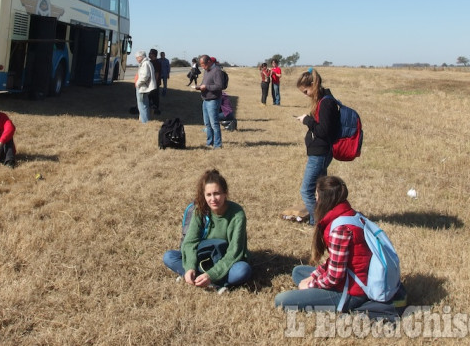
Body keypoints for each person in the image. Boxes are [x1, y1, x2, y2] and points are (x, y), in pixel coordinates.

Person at [275, 176, 406, 318]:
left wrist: (312, 284)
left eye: (317, 196)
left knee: (282, 300)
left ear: (325, 200)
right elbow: (336, 262)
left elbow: (334, 277)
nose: (315, 201)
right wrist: (315, 275)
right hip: (355, 278)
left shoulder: (340, 230)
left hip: (352, 292)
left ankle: (354, 303)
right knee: (298, 272)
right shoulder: (350, 214)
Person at [163, 169, 252, 292]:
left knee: (243, 270)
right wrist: (189, 267)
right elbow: (189, 242)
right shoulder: (200, 210)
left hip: (226, 260)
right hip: (203, 258)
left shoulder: (237, 213)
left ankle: (204, 280)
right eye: (208, 195)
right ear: (203, 196)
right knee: (169, 256)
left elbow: (235, 252)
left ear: (225, 193)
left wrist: (212, 275)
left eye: (217, 193)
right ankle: (211, 281)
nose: (213, 199)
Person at [296, 68, 341, 225]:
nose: (306, 95)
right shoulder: (323, 100)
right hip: (318, 152)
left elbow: (323, 130)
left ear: (313, 85)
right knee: (321, 191)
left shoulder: (326, 103)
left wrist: (307, 120)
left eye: (306, 91)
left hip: (320, 154)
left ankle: (318, 223)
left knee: (306, 191)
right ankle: (325, 219)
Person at [196, 54, 223, 149]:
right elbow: (204, 83)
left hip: (213, 100)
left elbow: (219, 86)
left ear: (209, 62)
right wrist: (199, 87)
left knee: (214, 123)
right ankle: (209, 142)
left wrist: (206, 87)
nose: (202, 67)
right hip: (205, 100)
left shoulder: (217, 71)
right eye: (201, 65)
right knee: (207, 123)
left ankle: (218, 144)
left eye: (203, 64)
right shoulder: (206, 71)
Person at [134, 50, 157, 123]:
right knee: (144, 104)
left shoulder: (145, 64)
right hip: (143, 87)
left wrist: (138, 83)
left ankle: (144, 121)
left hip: (142, 88)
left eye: (137, 57)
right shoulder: (146, 63)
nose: (136, 59)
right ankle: (144, 119)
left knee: (142, 105)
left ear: (141, 57)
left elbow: (145, 76)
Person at [148, 49, 162, 115]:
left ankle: (156, 109)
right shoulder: (149, 62)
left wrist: (155, 83)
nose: (149, 55)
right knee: (149, 96)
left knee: (155, 97)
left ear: (153, 54)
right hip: (149, 83)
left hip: (154, 83)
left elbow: (157, 74)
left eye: (150, 53)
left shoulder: (157, 63)